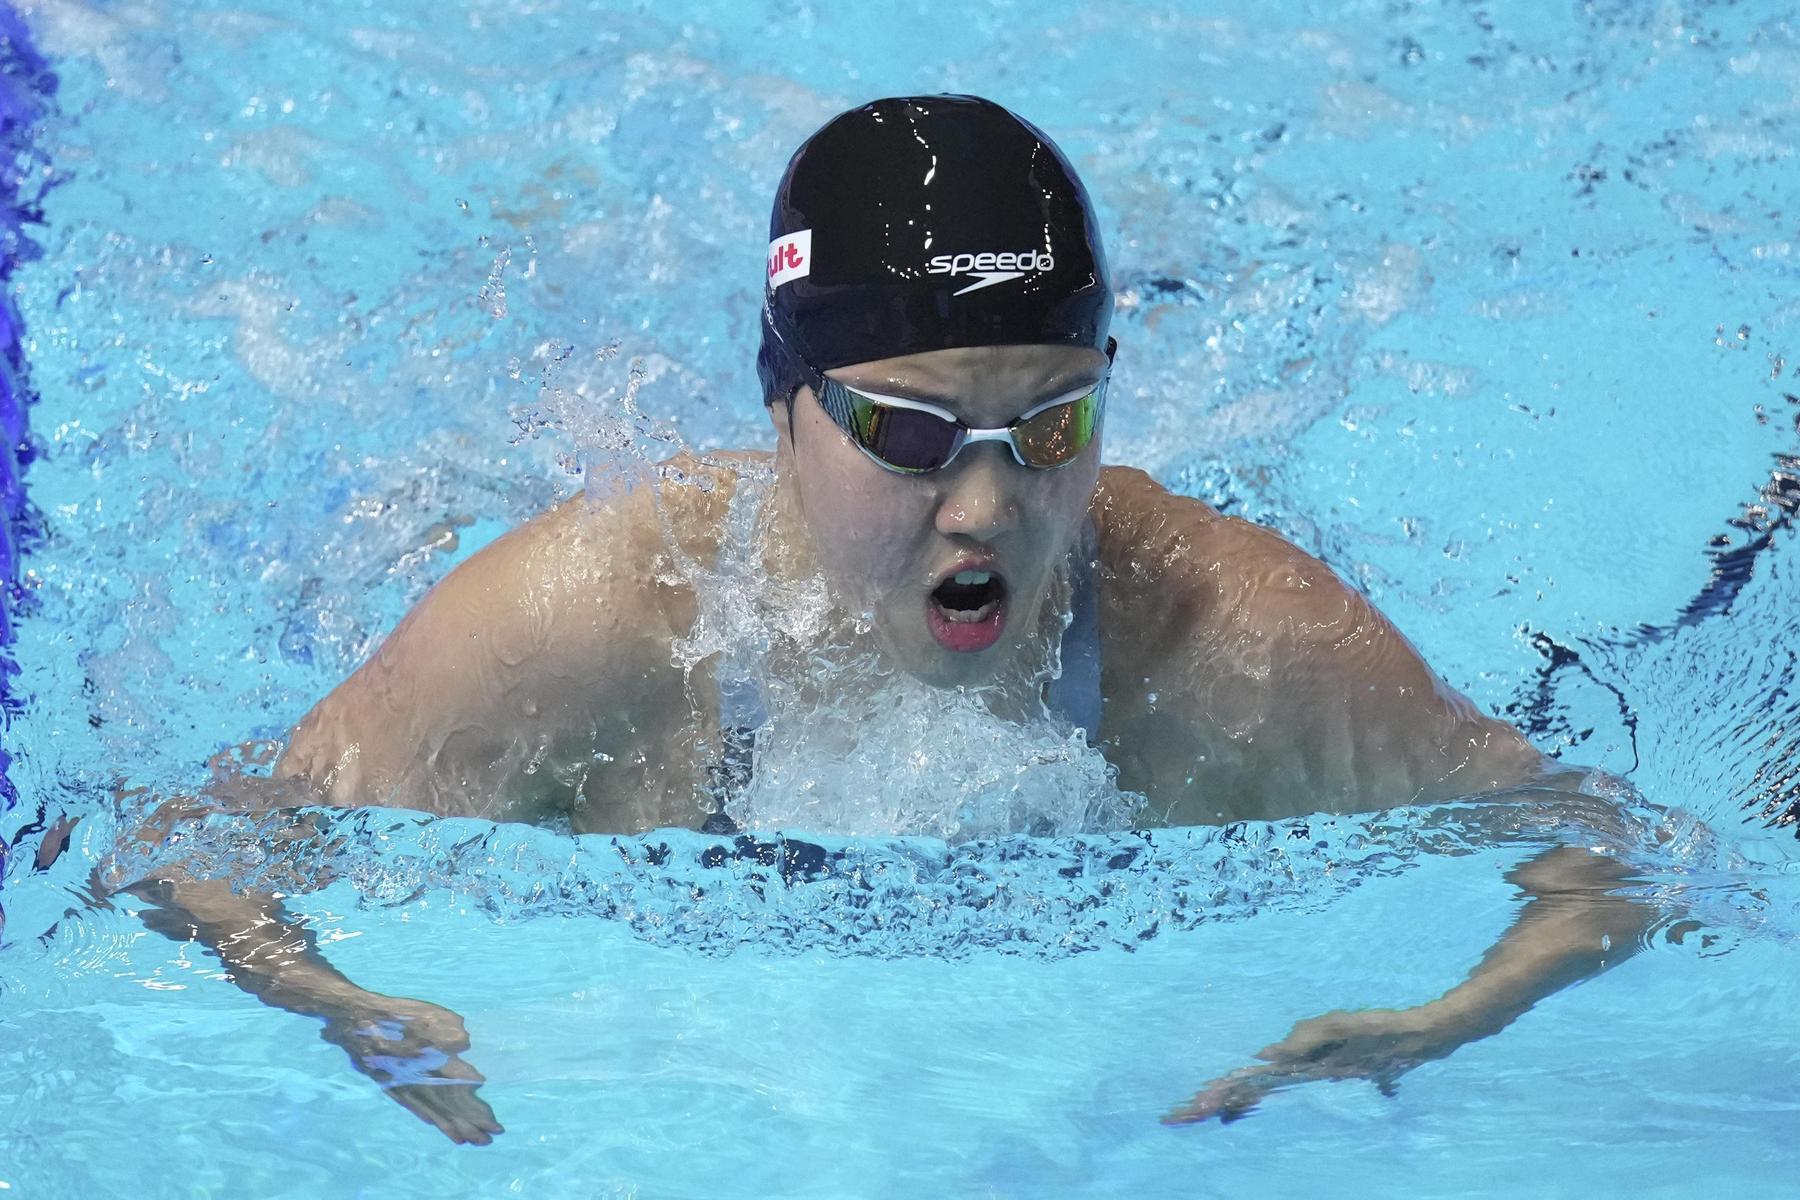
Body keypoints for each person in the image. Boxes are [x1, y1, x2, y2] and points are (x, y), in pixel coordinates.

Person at [119, 96, 1655, 1146]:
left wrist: (1438, 1021)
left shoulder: (1232, 639)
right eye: (913, 437)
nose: (986, 508)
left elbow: (1610, 853)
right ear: (785, 409)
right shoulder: (589, 620)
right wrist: (342, 1008)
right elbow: (191, 837)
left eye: (1051, 428)